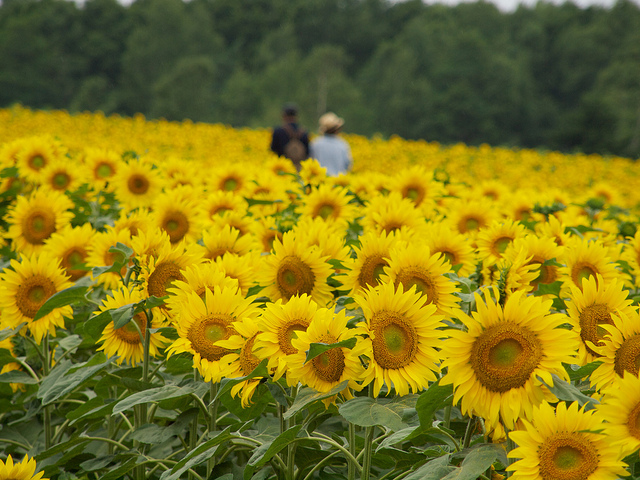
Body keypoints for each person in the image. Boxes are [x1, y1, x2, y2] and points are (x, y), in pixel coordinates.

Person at [309, 112, 352, 176]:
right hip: (338, 182)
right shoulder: (342, 144)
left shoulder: (315, 143)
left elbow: (310, 161)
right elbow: (347, 164)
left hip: (320, 181)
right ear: (337, 129)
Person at [270, 103, 309, 171]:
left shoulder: (278, 131)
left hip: (281, 169)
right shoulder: (304, 132)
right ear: (296, 116)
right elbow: (307, 152)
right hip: (299, 168)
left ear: (284, 115)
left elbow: (273, 149)